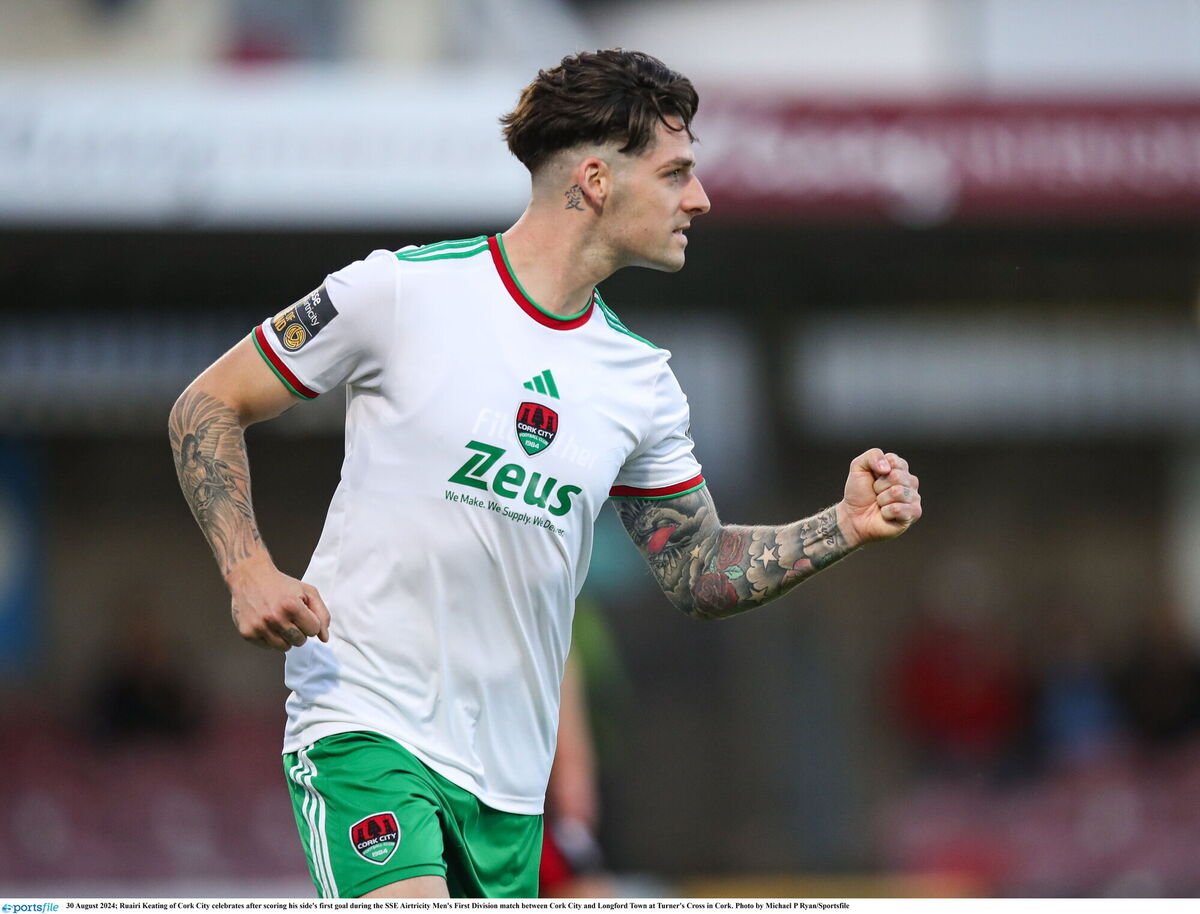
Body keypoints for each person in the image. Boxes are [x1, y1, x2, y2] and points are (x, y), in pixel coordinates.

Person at [169, 48, 922, 900]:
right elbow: (206, 405)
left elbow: (700, 570)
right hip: (363, 726)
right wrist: (248, 569)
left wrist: (845, 525)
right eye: (676, 174)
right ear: (596, 180)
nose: (700, 199)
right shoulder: (398, 293)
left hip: (510, 789)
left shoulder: (641, 382)